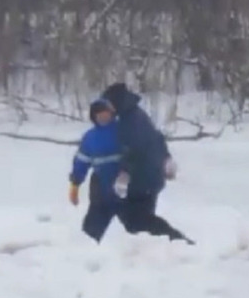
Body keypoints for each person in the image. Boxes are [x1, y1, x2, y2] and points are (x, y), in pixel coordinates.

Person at [99, 82, 193, 243]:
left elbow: (132, 150)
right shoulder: (133, 115)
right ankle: (171, 244)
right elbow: (156, 139)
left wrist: (124, 173)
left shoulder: (131, 121)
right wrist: (166, 159)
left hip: (144, 180)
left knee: (138, 222)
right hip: (147, 178)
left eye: (107, 105)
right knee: (136, 221)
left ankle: (179, 242)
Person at [68, 99, 127, 242]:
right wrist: (75, 184)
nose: (103, 117)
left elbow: (138, 153)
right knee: (94, 223)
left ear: (112, 114)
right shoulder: (90, 137)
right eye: (99, 115)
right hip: (100, 184)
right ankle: (87, 248)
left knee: (135, 221)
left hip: (124, 182)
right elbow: (81, 161)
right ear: (94, 117)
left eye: (106, 114)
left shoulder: (124, 131)